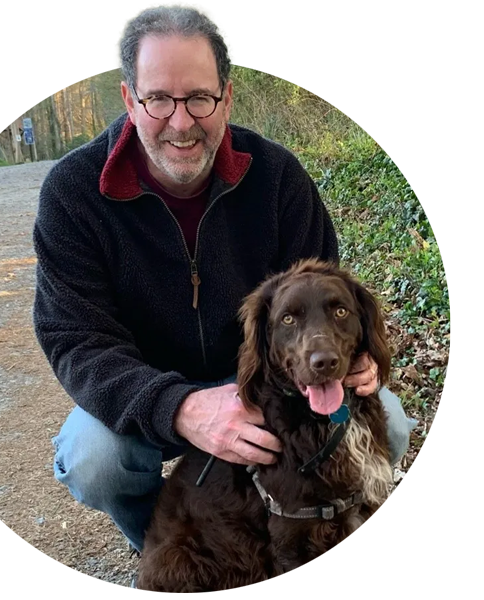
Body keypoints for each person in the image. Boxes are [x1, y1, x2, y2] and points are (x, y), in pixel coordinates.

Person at [32, 3, 417, 555]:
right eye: (159, 98)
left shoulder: (279, 178)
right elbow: (77, 341)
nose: (182, 121)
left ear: (227, 97)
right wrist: (181, 406)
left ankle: (302, 538)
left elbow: (325, 301)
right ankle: (173, 554)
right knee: (95, 460)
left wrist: (362, 357)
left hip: (269, 381)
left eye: (200, 98)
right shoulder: (74, 194)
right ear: (129, 100)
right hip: (148, 393)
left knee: (394, 427)